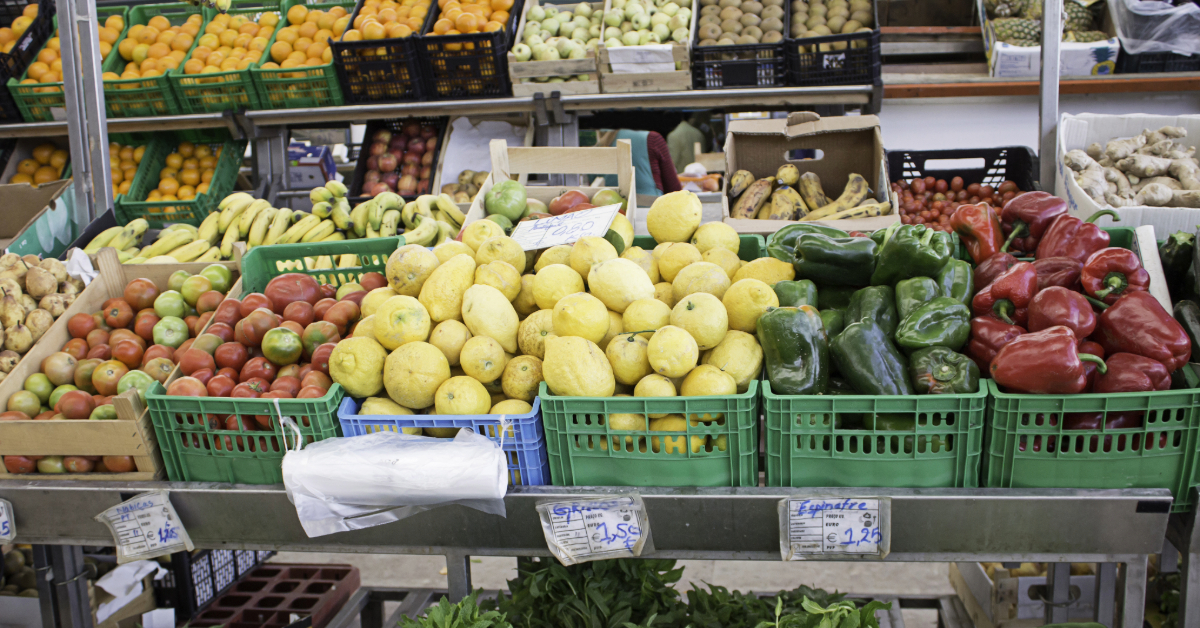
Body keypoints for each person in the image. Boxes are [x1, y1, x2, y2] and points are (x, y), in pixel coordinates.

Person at [596, 129, 681, 198]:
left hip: (611, 209)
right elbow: (674, 190)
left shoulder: (600, 145)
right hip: (651, 209)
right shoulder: (653, 139)